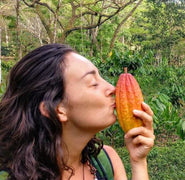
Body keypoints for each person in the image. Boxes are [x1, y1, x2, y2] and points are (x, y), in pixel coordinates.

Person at [0, 44, 155, 180]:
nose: (112, 89)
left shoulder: (106, 161)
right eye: (93, 83)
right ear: (56, 109)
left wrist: (138, 162)